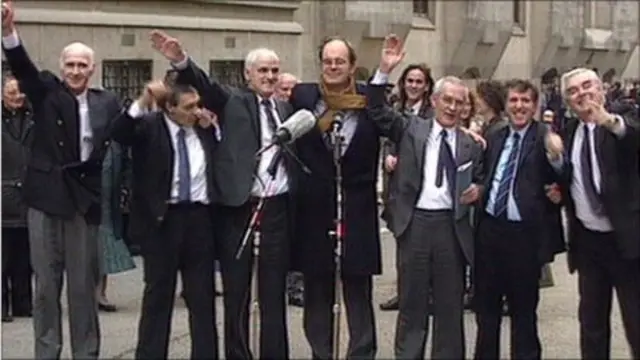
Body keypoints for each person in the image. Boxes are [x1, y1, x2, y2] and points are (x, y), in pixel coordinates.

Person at [150, 30, 295, 359]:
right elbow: (204, 85)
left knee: (273, 294)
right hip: (239, 208)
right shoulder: (232, 101)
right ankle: (238, 354)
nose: (270, 76)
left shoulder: (286, 109)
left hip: (277, 210)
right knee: (237, 293)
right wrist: (180, 59)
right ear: (248, 74)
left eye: (274, 70)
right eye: (263, 70)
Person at [2, 3, 122, 358]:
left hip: (83, 202)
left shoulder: (107, 102)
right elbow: (22, 69)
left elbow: (128, 134)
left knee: (83, 288)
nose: (75, 71)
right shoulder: (46, 94)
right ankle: (47, 352)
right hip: (45, 199)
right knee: (46, 288)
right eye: (69, 64)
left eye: (82, 65)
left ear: (92, 69)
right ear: (61, 66)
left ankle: (86, 353)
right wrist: (9, 32)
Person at [368, 34, 484, 359]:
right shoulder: (410, 128)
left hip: (451, 227)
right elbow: (375, 110)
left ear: (465, 107)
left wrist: (480, 190)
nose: (452, 107)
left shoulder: (472, 144)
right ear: (434, 101)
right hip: (415, 224)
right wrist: (384, 71)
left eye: (459, 102)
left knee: (449, 308)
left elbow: (482, 179)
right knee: (412, 303)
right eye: (447, 100)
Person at [111, 81, 220, 359]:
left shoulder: (203, 130)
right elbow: (119, 133)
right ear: (170, 108)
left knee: (201, 296)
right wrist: (142, 100)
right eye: (188, 107)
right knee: (158, 294)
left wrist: (213, 127)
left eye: (197, 105)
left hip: (198, 217)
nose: (195, 112)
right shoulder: (150, 127)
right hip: (163, 219)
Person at [288, 36, 381, 359]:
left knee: (357, 289)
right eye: (327, 61)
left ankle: (361, 351)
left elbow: (403, 126)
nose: (333, 67)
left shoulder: (370, 100)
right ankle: (321, 352)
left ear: (352, 66)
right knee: (317, 290)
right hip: (315, 209)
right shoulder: (304, 96)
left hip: (356, 206)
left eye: (339, 61)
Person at [473, 79, 566, 360]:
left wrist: (557, 158)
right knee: (485, 312)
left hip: (524, 237)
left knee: (523, 313)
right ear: (507, 104)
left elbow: (563, 177)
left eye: (526, 101)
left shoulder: (545, 137)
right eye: (514, 100)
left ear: (535, 106)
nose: (519, 106)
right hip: (490, 232)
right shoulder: (497, 135)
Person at [557, 67, 640, 359]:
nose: (582, 94)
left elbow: (631, 135)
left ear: (601, 89)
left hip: (627, 242)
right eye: (573, 91)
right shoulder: (569, 131)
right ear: (567, 100)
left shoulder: (623, 116)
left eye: (587, 86)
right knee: (591, 323)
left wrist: (607, 121)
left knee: (636, 323)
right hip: (589, 244)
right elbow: (570, 175)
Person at [379, 63, 434, 312]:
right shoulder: (396, 108)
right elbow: (389, 138)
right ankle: (403, 293)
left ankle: (423, 295)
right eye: (409, 81)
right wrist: (388, 155)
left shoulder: (431, 114)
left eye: (418, 81)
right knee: (402, 243)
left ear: (426, 86)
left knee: (422, 248)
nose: (413, 86)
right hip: (395, 187)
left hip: (420, 188)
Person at [2, 75, 34, 323]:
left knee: (25, 255)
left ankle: (23, 303)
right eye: (11, 93)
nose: (16, 98)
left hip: (28, 195)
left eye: (20, 93)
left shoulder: (33, 117)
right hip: (4, 192)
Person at [96, 140, 136, 312]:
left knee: (105, 241)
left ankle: (99, 292)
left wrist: (126, 190)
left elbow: (127, 167)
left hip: (109, 199)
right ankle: (89, 293)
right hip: (85, 195)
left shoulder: (117, 143)